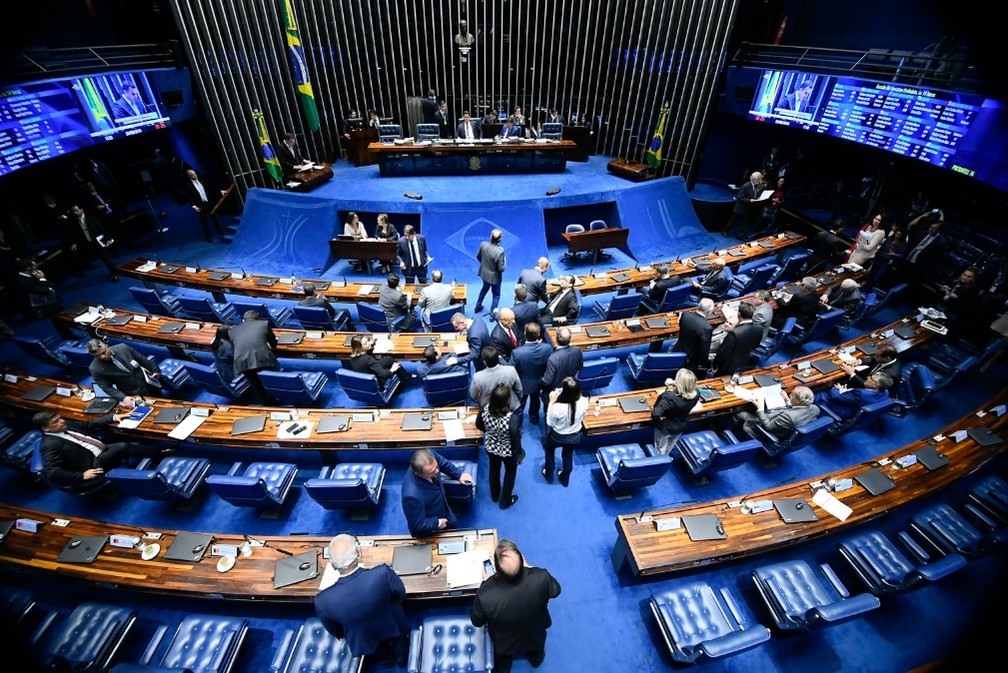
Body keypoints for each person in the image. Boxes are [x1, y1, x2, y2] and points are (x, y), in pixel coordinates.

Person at [315, 534, 408, 668]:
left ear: (333, 565)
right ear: (358, 553)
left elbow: (337, 631)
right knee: (400, 642)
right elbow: (400, 594)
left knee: (380, 653)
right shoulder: (383, 573)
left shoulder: (322, 601)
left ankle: (387, 662)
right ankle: (401, 659)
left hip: (362, 637)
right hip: (391, 622)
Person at [470, 539, 561, 673]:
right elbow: (556, 590)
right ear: (522, 561)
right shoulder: (541, 577)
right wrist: (530, 569)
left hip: (505, 642)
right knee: (537, 650)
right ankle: (536, 660)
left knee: (503, 661)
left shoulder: (486, 593)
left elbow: (477, 622)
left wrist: (486, 582)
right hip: (535, 634)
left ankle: (504, 669)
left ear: (497, 569)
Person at [35, 409, 163, 494]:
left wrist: (113, 417)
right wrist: (81, 475)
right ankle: (160, 453)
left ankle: (155, 453)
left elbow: (89, 423)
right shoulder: (49, 445)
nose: (62, 421)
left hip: (99, 449)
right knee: (123, 446)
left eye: (60, 418)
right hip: (92, 464)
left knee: (123, 444)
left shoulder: (65, 425)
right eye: (56, 421)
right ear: (46, 428)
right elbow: (52, 472)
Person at [401, 448, 474, 537]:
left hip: (443, 508)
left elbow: (443, 462)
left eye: (436, 466)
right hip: (430, 528)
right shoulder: (411, 496)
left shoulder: (429, 456)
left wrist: (459, 474)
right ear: (419, 474)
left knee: (453, 526)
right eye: (432, 472)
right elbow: (418, 525)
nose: (437, 471)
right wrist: (437, 523)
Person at [476, 384, 523, 508]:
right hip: (508, 452)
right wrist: (518, 456)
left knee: (494, 469)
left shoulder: (484, 409)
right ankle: (505, 501)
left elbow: (479, 426)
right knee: (510, 474)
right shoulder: (512, 418)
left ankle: (495, 495)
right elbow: (516, 440)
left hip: (491, 447)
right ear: (507, 400)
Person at [86, 338, 162, 406]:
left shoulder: (123, 348)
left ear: (107, 346)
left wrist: (154, 369)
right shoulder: (95, 368)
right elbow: (106, 387)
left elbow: (142, 360)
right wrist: (123, 397)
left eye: (103, 352)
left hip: (149, 383)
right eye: (98, 356)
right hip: (132, 393)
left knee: (163, 402)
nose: (102, 357)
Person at [542, 376, 588, 487]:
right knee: (568, 455)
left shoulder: (557, 407)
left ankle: (549, 475)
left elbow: (550, 423)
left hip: (557, 436)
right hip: (574, 436)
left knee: (549, 451)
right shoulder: (584, 401)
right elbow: (583, 416)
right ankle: (565, 478)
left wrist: (551, 403)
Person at [230, 309, 279, 404]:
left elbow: (235, 348)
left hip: (241, 362)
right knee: (271, 378)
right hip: (262, 358)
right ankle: (277, 399)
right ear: (258, 319)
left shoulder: (233, 331)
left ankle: (266, 404)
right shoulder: (264, 324)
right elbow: (273, 343)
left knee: (255, 385)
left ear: (243, 320)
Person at [737, 385, 820, 439]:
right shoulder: (815, 408)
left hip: (773, 432)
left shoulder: (788, 417)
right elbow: (798, 409)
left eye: (792, 395)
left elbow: (768, 426)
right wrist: (788, 400)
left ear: (798, 401)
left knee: (741, 414)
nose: (790, 395)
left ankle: (727, 432)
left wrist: (760, 408)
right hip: (781, 421)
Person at [512, 322, 553, 425]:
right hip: (540, 382)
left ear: (525, 333)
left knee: (520, 406)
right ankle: (534, 417)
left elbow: (510, 369)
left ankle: (518, 426)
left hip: (522, 383)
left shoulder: (517, 352)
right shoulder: (547, 348)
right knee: (535, 401)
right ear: (538, 334)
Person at [652, 368, 700, 455]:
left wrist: (668, 392)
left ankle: (660, 461)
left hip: (665, 428)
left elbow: (656, 413)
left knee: (660, 448)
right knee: (670, 444)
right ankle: (666, 456)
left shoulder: (669, 397)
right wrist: (674, 390)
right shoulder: (696, 393)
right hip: (681, 425)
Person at [67, 204, 119, 281]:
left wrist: (108, 238)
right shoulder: (74, 222)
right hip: (89, 243)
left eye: (76, 210)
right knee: (102, 258)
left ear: (81, 209)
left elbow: (101, 227)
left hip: (99, 241)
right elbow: (75, 234)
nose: (75, 213)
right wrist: (74, 243)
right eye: (73, 211)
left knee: (105, 258)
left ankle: (115, 274)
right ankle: (114, 271)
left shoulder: (91, 217)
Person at [711, 301, 763, 376]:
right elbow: (756, 345)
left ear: (739, 314)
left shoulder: (735, 333)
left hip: (727, 366)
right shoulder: (759, 329)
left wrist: (715, 365)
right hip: (744, 362)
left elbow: (723, 352)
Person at [815, 372, 893, 421]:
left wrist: (837, 389)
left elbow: (835, 396)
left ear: (876, 385)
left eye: (871, 378)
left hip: (842, 411)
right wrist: (844, 391)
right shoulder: (885, 391)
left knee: (822, 394)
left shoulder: (861, 394)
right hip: (854, 408)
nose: (867, 377)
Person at [672, 298, 716, 375]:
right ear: (708, 311)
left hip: (677, 349)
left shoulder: (685, 315)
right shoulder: (706, 327)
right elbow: (704, 349)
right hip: (691, 360)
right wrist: (704, 366)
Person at [470, 346, 522, 410]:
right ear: (498, 358)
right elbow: (519, 390)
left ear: (484, 362)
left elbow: (473, 396)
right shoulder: (511, 370)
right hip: (508, 404)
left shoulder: (477, 377)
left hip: (488, 407)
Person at [184, 169, 226, 243]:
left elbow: (210, 187)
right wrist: (194, 206)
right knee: (204, 222)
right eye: (193, 175)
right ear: (189, 176)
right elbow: (189, 197)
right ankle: (208, 237)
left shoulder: (201, 180)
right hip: (200, 205)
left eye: (195, 174)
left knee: (215, 218)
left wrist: (220, 191)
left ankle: (220, 232)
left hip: (208, 203)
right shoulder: (188, 185)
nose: (195, 175)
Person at [540, 326, 583, 392]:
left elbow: (547, 382)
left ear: (556, 339)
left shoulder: (553, 358)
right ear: (570, 339)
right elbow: (580, 367)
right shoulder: (577, 350)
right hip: (571, 387)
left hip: (556, 391)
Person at [722, 171, 763, 237]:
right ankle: (725, 230)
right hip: (740, 208)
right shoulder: (745, 186)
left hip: (747, 209)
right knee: (733, 221)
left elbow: (753, 194)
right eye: (759, 179)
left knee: (745, 223)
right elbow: (739, 197)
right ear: (754, 179)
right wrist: (749, 200)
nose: (760, 180)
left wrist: (758, 197)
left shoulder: (755, 186)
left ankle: (741, 235)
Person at [475, 229, 506, 314]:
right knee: (496, 295)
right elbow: (501, 269)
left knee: (484, 289)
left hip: (484, 274)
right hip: (495, 278)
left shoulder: (483, 245)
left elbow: (478, 256)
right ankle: (493, 313)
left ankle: (478, 306)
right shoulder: (500, 251)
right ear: (500, 239)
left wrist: (485, 265)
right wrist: (505, 262)